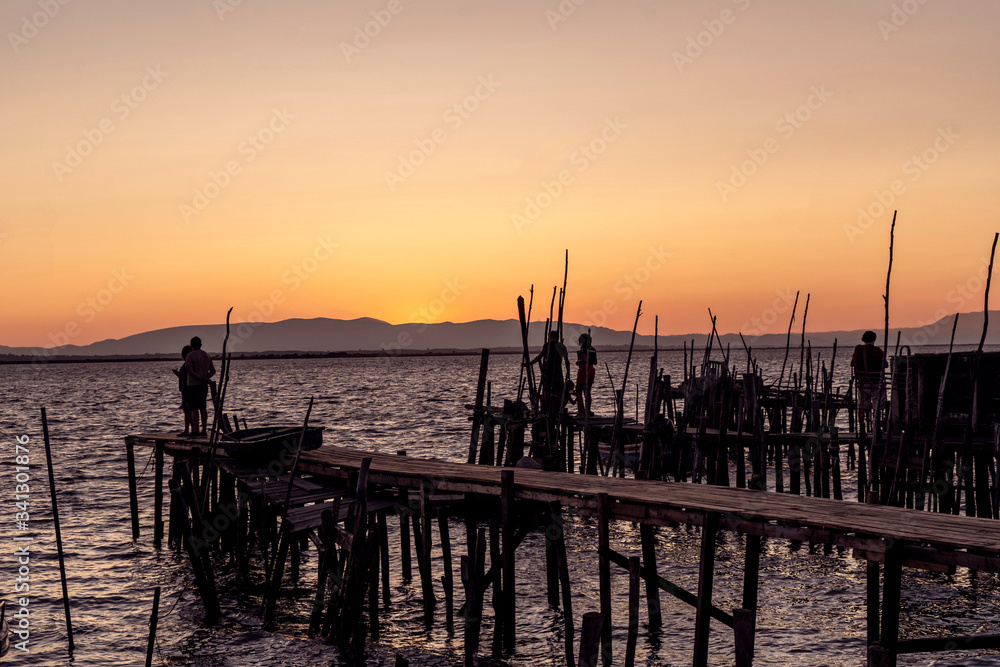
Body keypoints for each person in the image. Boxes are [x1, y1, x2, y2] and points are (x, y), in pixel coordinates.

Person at [527, 330, 570, 415]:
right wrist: (568, 372)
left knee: (547, 390)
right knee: (559, 390)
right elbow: (567, 361)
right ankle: (558, 409)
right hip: (558, 371)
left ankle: (548, 409)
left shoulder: (548, 345)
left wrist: (529, 363)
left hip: (549, 371)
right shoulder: (561, 346)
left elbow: (540, 356)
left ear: (550, 337)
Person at [851, 330, 886, 425]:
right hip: (875, 382)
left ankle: (862, 426)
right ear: (874, 339)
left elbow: (852, 364)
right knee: (877, 406)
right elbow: (885, 364)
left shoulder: (859, 350)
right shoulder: (877, 351)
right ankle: (876, 426)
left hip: (862, 383)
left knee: (862, 405)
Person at [185, 336, 216, 437]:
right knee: (203, 407)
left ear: (191, 345)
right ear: (201, 345)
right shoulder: (206, 355)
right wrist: (206, 378)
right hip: (203, 385)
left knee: (194, 408)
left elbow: (190, 371)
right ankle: (203, 430)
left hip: (193, 385)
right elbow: (213, 371)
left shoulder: (189, 355)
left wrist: (200, 378)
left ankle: (195, 430)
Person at [171, 345, 193, 437]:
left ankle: (189, 430)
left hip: (186, 389)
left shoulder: (186, 364)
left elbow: (182, 375)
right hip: (187, 389)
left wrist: (176, 373)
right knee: (188, 410)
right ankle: (189, 429)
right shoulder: (189, 364)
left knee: (188, 410)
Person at [574, 333, 597, 417]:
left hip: (584, 370)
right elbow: (595, 362)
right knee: (587, 392)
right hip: (591, 370)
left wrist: (578, 361)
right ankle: (587, 411)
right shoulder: (593, 350)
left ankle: (580, 412)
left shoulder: (583, 349)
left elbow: (583, 360)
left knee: (579, 391)